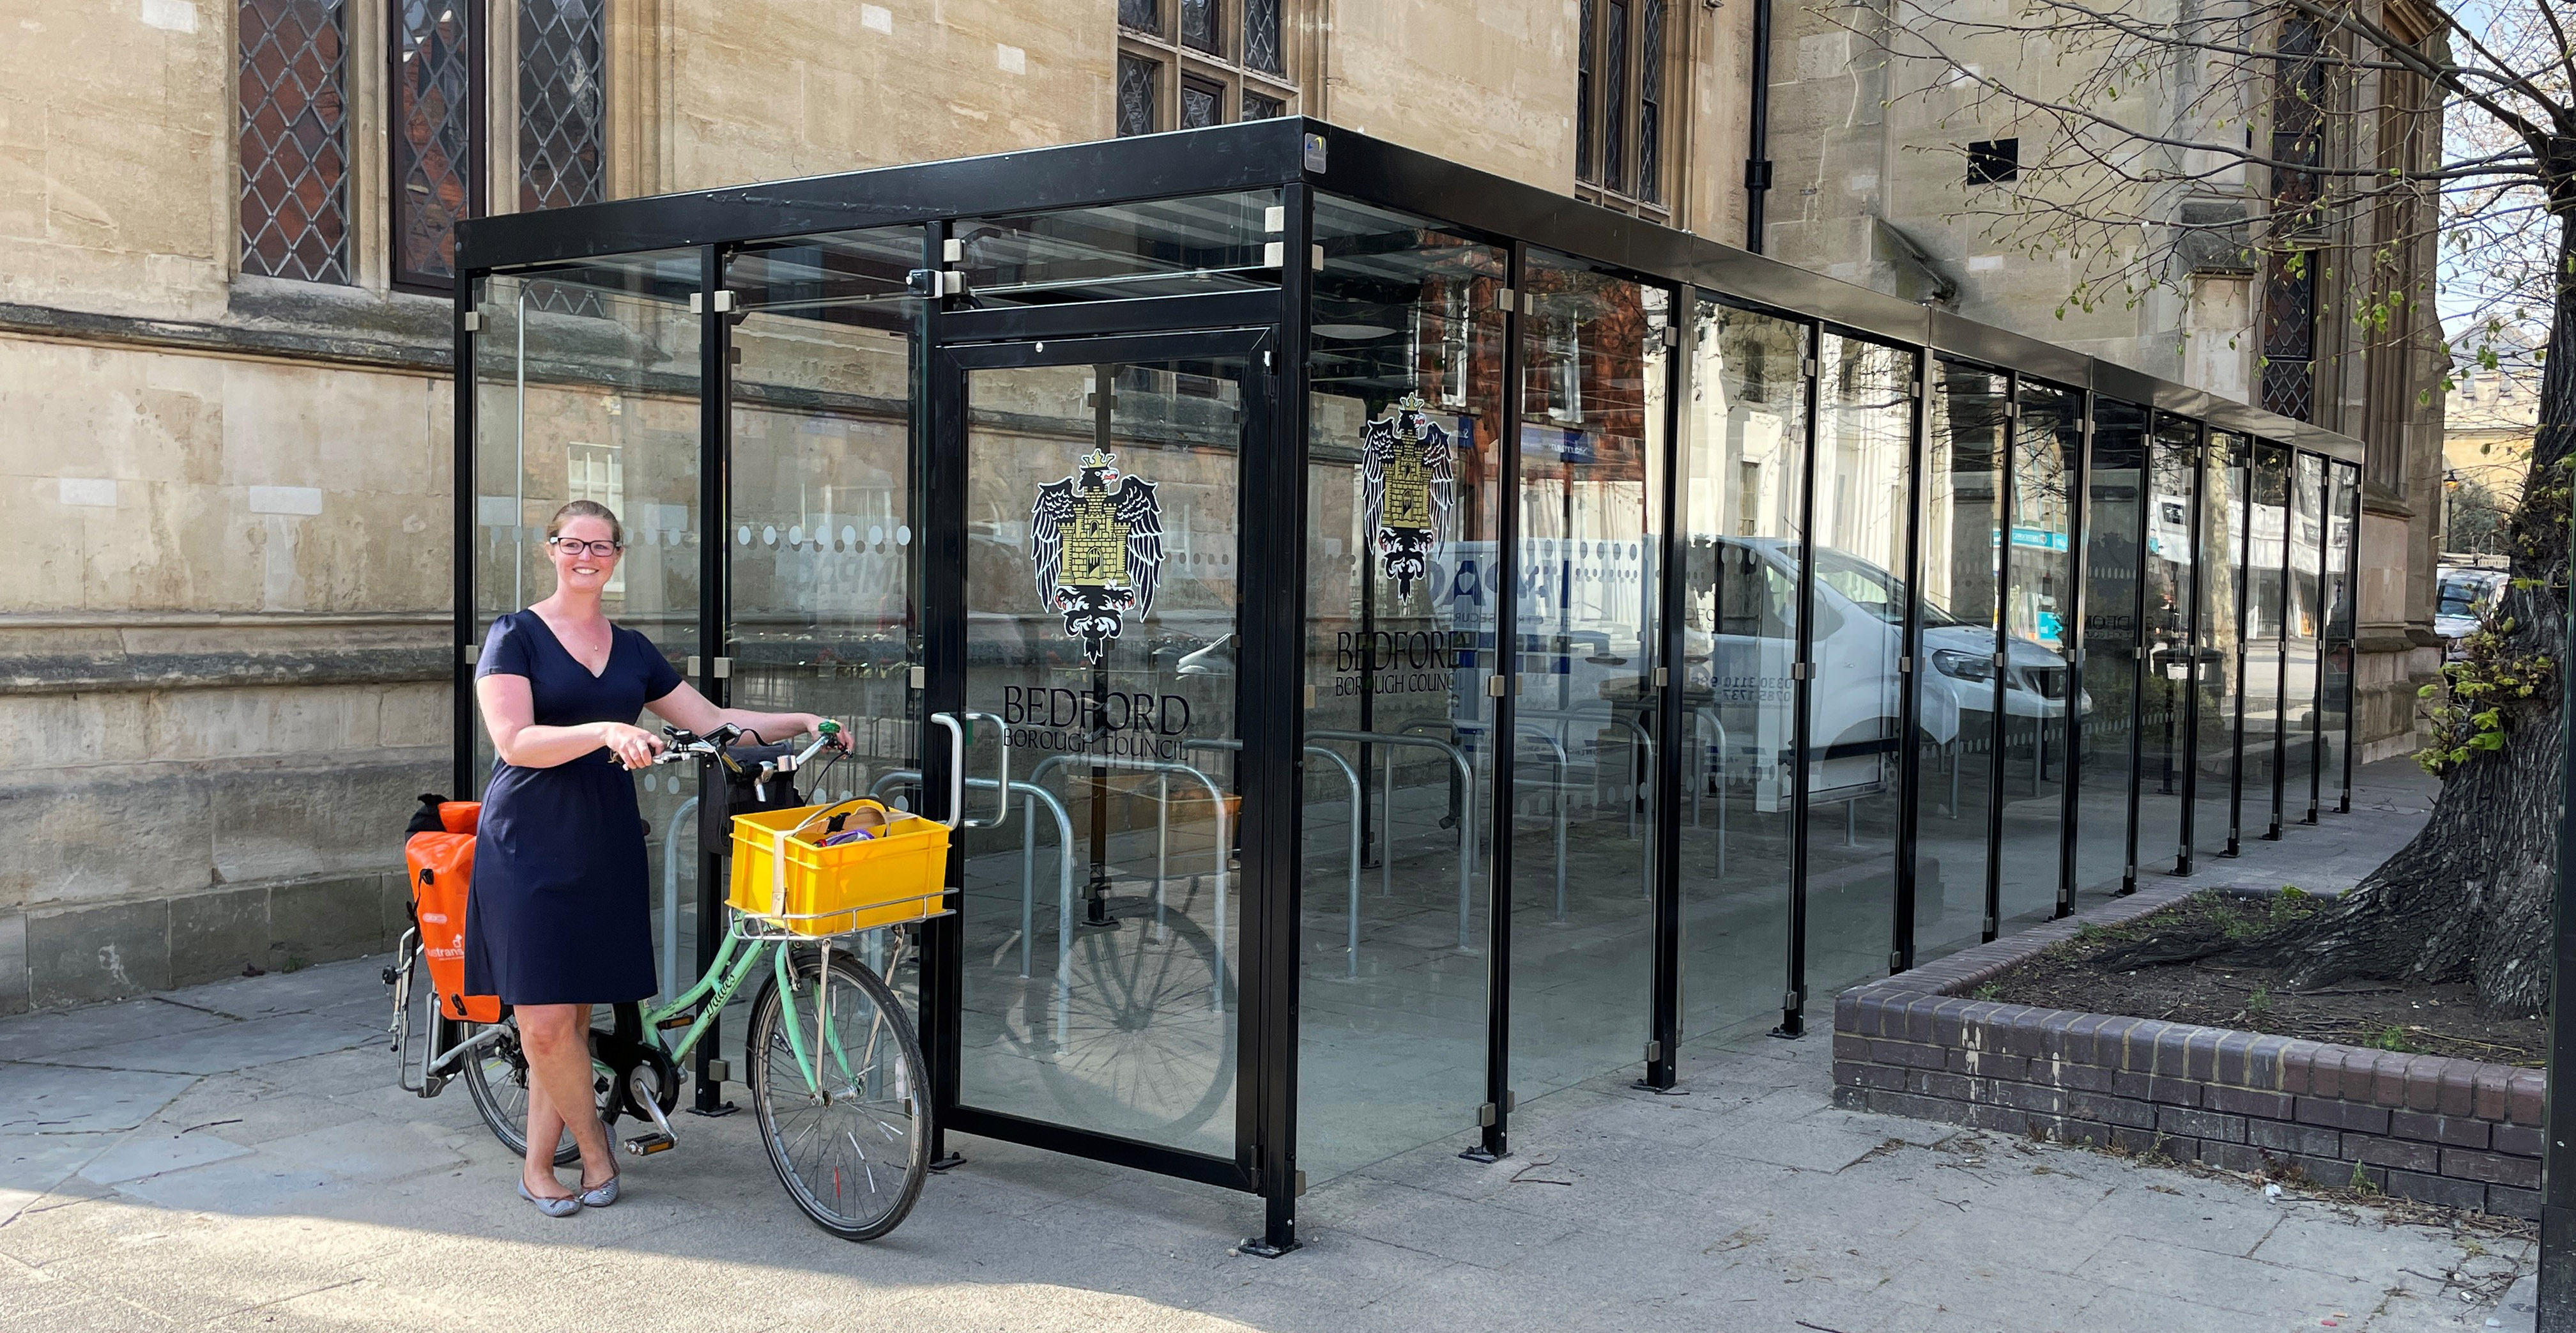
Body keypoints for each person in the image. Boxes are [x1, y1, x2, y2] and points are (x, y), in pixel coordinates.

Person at [468, 499, 841, 1216]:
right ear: (551, 549)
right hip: (527, 841)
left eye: (602, 546)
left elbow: (714, 724)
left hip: (604, 839)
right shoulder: (513, 636)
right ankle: (600, 1152)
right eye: (574, 543)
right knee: (544, 1020)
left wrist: (799, 720)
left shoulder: (633, 648)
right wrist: (606, 728)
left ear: (617, 556)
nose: (588, 556)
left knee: (571, 1018)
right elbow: (515, 741)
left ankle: (540, 1165)